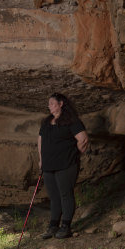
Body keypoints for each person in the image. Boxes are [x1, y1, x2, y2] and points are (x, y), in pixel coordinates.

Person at [38, 93, 89, 239]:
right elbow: (40, 141)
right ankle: (53, 226)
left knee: (65, 194)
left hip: (66, 165)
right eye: (49, 103)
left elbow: (83, 139)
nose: (49, 106)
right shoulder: (47, 122)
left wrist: (75, 155)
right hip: (48, 165)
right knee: (54, 197)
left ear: (61, 104)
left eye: (52, 103)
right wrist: (41, 160)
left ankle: (65, 226)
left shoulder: (71, 121)